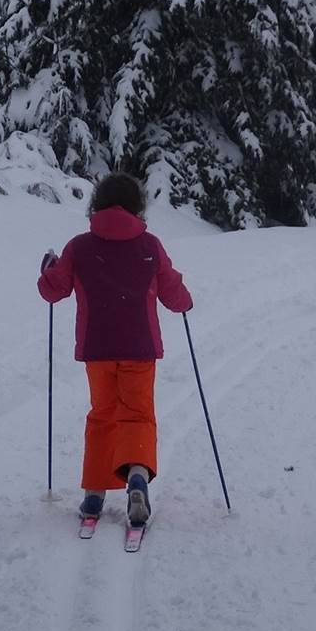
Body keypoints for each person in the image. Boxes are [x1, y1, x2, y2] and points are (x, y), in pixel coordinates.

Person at [37, 172, 193, 529]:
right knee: (137, 414)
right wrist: (185, 301)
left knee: (102, 413)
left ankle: (94, 493)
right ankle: (137, 477)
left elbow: (53, 291)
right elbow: (171, 291)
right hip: (140, 348)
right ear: (137, 206)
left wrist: (47, 270)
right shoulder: (149, 245)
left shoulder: (79, 247)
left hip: (97, 348)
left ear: (97, 204)